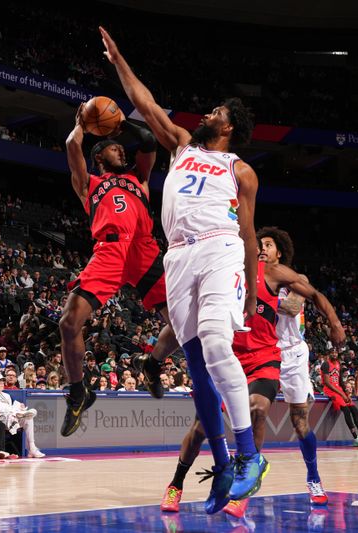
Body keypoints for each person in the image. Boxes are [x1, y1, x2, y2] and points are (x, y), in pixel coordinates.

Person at [101, 27, 264, 512]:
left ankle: (250, 457)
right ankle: (221, 470)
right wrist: (117, 60)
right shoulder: (181, 145)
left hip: (219, 250)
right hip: (177, 256)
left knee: (216, 342)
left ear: (229, 127)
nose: (208, 114)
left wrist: (252, 290)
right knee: (197, 365)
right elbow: (143, 101)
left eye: (217, 112)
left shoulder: (239, 169)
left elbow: (250, 236)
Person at [160, 228, 344, 517]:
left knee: (288, 417)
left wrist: (263, 300)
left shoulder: (281, 275)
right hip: (237, 352)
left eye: (267, 245)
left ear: (279, 252)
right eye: (257, 244)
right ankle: (176, 483)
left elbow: (296, 304)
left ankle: (309, 478)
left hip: (284, 353)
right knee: (200, 429)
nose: (260, 248)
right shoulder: (228, 270)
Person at [60, 93, 179, 438]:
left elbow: (146, 139)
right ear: (99, 156)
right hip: (109, 250)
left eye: (120, 149)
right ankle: (79, 391)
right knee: (69, 323)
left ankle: (152, 364)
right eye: (113, 148)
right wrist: (83, 123)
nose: (121, 151)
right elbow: (72, 145)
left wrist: (120, 120)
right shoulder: (89, 185)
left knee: (182, 324)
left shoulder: (138, 179)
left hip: (144, 251)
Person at [0, 372, 44, 458]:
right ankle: (19, 413)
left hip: (10, 417)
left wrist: (19, 407)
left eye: (2, 382)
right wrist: (14, 410)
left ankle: (32, 448)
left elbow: (9, 407)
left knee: (29, 419)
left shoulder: (6, 395)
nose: (2, 384)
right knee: (14, 413)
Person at [321, 349, 358, 446]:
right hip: (330, 391)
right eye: (332, 352)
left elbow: (340, 380)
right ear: (328, 354)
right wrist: (342, 394)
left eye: (336, 353)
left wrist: (345, 391)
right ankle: (356, 438)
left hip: (339, 390)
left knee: (355, 410)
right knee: (347, 411)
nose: (334, 354)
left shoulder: (338, 364)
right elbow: (327, 383)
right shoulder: (325, 364)